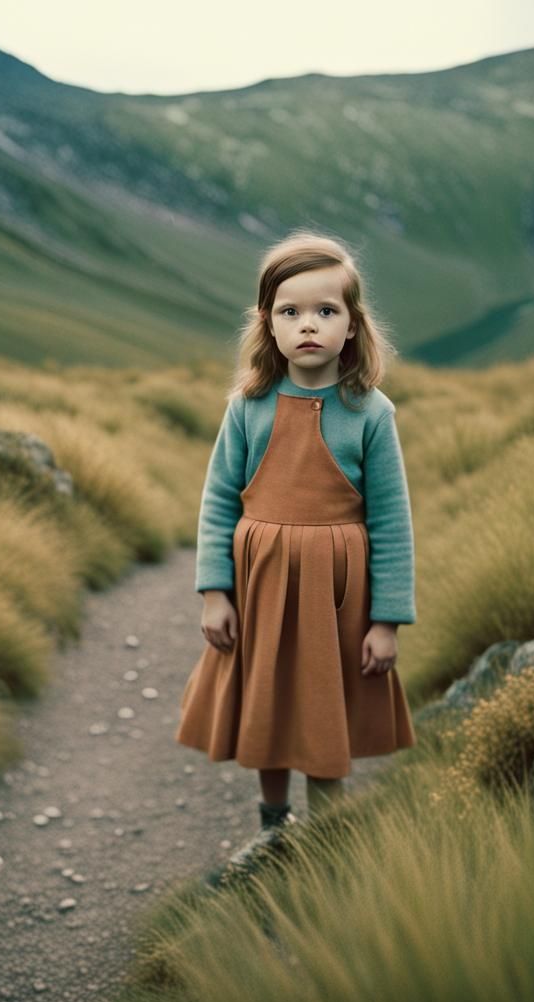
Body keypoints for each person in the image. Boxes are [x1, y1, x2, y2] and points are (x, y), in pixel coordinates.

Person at [174, 229, 417, 885]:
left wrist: (386, 620)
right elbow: (219, 500)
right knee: (269, 701)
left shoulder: (371, 412)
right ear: (268, 325)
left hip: (338, 595)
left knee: (323, 705)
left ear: (352, 326)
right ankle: (275, 827)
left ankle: (328, 841)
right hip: (260, 585)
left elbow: (392, 520)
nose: (308, 325)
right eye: (291, 312)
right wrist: (215, 590)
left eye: (325, 311)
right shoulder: (248, 407)